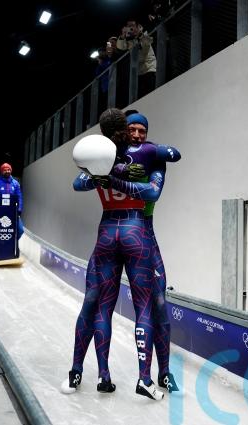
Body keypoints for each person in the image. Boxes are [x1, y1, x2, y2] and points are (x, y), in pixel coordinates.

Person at [62, 108, 165, 400]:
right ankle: (145, 378)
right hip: (136, 230)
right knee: (144, 306)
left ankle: (93, 374)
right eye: (133, 129)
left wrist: (103, 177)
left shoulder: (100, 154)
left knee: (97, 305)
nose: (136, 134)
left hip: (107, 230)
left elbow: (78, 183)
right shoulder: (145, 155)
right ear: (127, 129)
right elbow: (153, 189)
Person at [114, 112, 181, 393]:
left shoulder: (154, 156)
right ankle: (100, 373)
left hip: (146, 231)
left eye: (142, 130)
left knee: (160, 302)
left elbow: (153, 192)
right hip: (116, 232)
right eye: (132, 129)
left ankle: (164, 372)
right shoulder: (114, 154)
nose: (137, 135)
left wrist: (118, 180)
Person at [116, 20, 157, 98]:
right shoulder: (129, 40)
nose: (130, 27)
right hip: (139, 72)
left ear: (138, 26)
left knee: (153, 93)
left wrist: (140, 34)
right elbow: (120, 47)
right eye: (128, 26)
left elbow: (148, 42)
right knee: (143, 96)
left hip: (150, 68)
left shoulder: (144, 33)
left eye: (132, 25)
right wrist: (122, 35)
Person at [0, 163, 23, 239]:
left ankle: (12, 242)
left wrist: (19, 209)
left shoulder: (15, 184)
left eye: (9, 170)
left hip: (12, 212)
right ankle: (0, 244)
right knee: (0, 231)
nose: (7, 171)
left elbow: (19, 197)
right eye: (5, 170)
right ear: (1, 171)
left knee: (20, 230)